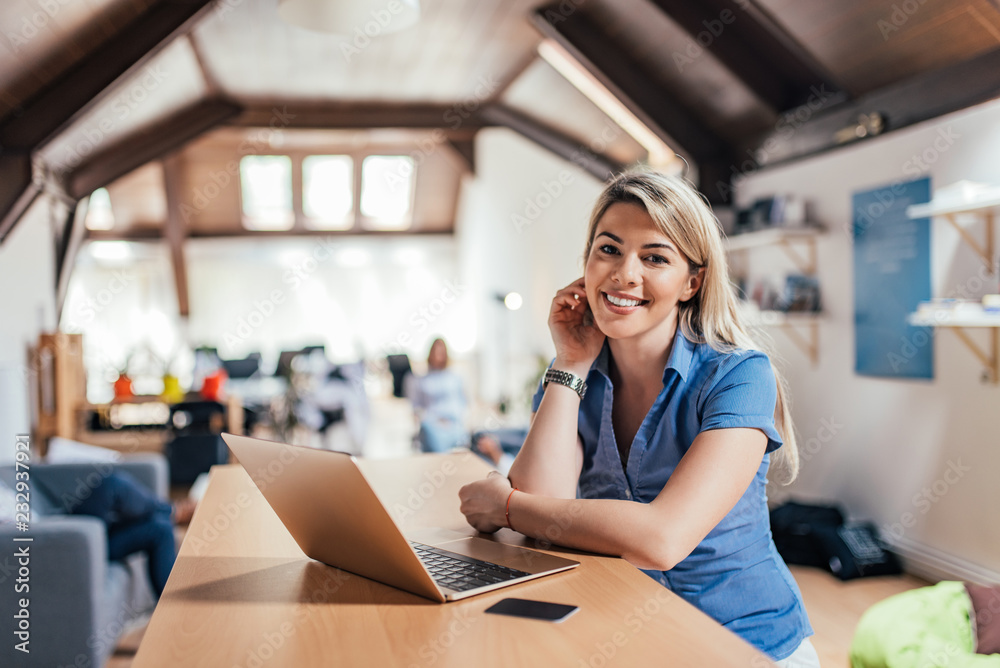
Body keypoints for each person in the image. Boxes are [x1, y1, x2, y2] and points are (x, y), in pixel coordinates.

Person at [458, 170, 817, 666]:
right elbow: (541, 509)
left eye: (654, 257)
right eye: (608, 249)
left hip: (745, 645)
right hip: (633, 637)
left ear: (691, 282)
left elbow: (662, 539)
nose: (625, 274)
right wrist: (570, 362)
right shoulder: (575, 375)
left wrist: (507, 507)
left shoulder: (739, 376)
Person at [407, 338, 468, 453]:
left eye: (441, 351)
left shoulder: (454, 378)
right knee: (433, 439)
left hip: (454, 425)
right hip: (432, 425)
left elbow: (462, 403)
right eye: (435, 351)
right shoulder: (421, 380)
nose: (438, 355)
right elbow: (416, 407)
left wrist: (453, 421)